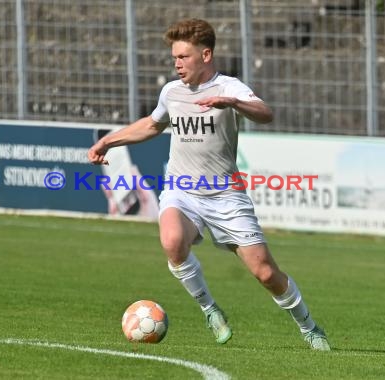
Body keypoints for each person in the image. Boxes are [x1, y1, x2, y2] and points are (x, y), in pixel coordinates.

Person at [88, 18, 330, 350]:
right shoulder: (171, 92)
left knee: (265, 273)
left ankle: (309, 326)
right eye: (174, 57)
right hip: (182, 188)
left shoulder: (229, 87)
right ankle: (210, 310)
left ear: (205, 55)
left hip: (226, 196)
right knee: (173, 241)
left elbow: (264, 112)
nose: (177, 64)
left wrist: (232, 103)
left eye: (183, 57)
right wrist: (109, 142)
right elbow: (152, 124)